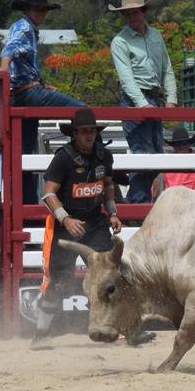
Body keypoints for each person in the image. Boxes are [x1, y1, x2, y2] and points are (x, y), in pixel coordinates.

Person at [33, 108, 123, 348]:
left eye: (92, 131)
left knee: (110, 275)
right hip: (66, 226)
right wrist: (66, 219)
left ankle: (120, 328)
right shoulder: (64, 157)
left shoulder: (104, 156)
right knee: (59, 282)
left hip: (95, 222)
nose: (89, 135)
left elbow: (107, 185)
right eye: (84, 131)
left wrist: (112, 212)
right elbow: (48, 194)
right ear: (74, 133)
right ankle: (41, 333)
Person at [0, 0, 85, 204]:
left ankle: (27, 202)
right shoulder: (24, 27)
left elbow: (24, 62)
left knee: (25, 152)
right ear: (27, 9)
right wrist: (4, 69)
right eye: (36, 9)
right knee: (82, 111)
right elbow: (10, 49)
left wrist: (43, 83)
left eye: (42, 10)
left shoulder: (30, 29)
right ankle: (80, 156)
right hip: (28, 92)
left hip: (26, 90)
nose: (40, 13)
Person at [109, 0, 178, 204]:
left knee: (154, 155)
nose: (132, 17)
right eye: (127, 14)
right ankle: (138, 206)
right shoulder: (120, 41)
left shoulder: (156, 36)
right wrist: (142, 104)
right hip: (134, 99)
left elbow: (166, 68)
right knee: (143, 154)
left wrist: (171, 99)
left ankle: (136, 205)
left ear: (143, 12)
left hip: (154, 99)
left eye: (135, 13)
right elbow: (126, 78)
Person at [151, 126, 195, 200]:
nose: (180, 146)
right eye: (177, 143)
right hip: (175, 202)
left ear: (189, 144)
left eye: (184, 143)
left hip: (193, 202)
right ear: (173, 146)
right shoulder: (167, 162)